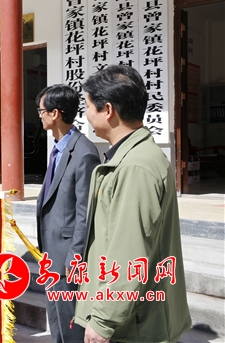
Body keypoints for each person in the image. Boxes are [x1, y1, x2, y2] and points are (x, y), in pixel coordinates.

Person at [74, 65, 191, 342]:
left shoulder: (134, 167)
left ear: (108, 110)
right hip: (135, 317)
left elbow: (129, 252)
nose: (86, 115)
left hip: (134, 325)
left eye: (87, 107)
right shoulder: (131, 158)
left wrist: (103, 320)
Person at [34, 85, 100, 342]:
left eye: (41, 110)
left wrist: (74, 259)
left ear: (56, 113)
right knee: (57, 323)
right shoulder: (59, 148)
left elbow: (85, 213)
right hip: (52, 254)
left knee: (70, 327)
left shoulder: (84, 153)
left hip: (67, 258)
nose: (39, 115)